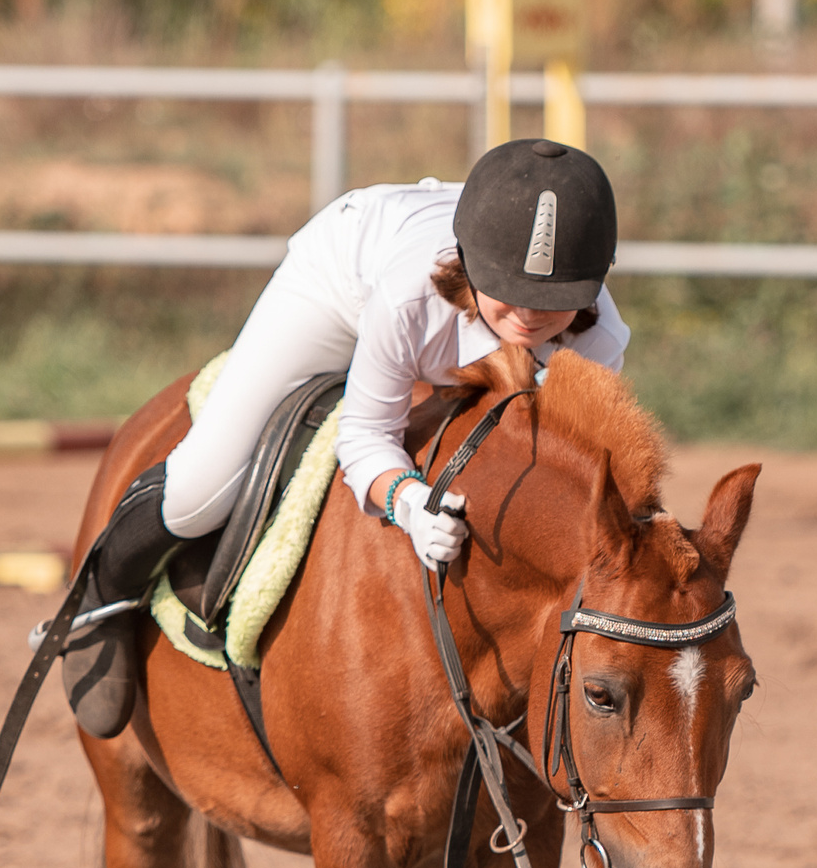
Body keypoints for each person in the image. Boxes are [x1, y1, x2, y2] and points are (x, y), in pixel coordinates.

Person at [61, 137, 630, 738]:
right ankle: (98, 600)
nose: (529, 318)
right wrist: (408, 504)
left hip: (461, 245)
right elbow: (363, 435)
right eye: (509, 292)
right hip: (339, 287)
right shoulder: (408, 297)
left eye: (553, 299)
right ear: (473, 264)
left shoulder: (599, 338)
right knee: (202, 488)